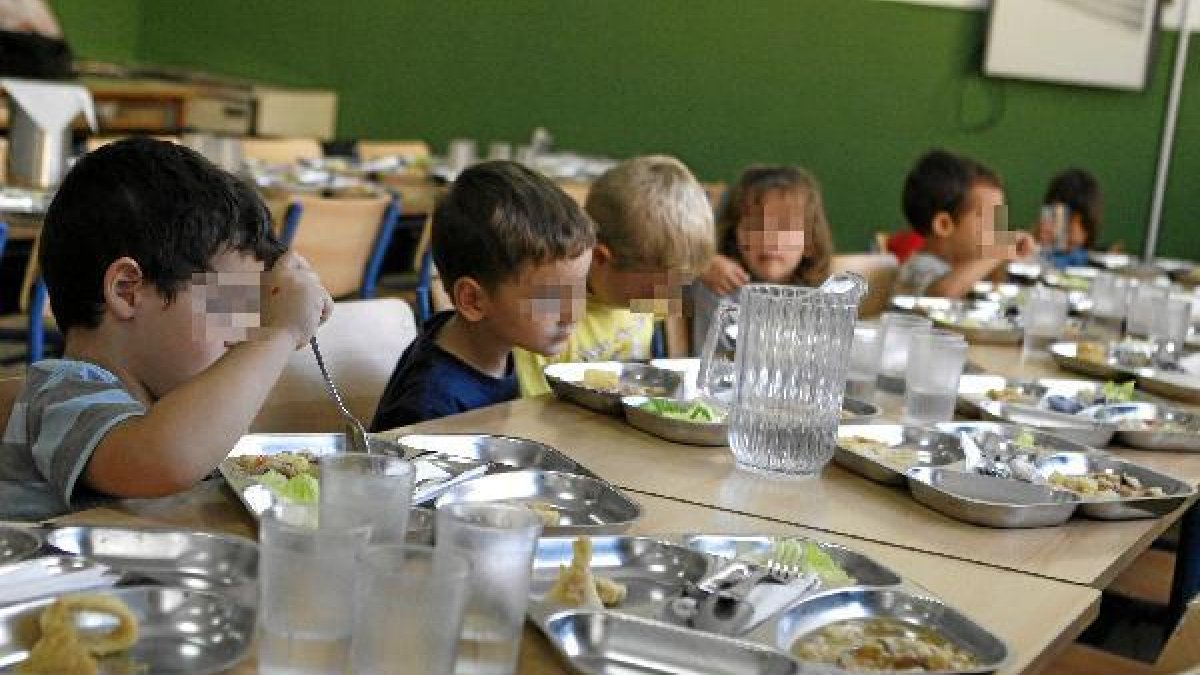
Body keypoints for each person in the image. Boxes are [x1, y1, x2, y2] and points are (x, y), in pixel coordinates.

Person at [0, 138, 333, 520]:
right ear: (128, 290)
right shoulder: (60, 395)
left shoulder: (165, 406)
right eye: (230, 306)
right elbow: (165, 460)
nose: (244, 336)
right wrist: (280, 333)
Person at [370, 161, 595, 429]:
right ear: (473, 300)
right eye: (550, 298)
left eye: (579, 287)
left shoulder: (494, 345)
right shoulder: (432, 405)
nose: (573, 313)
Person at [514, 155, 715, 396]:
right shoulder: (547, 316)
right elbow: (533, 410)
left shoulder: (652, 296)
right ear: (599, 259)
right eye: (651, 290)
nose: (666, 299)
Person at [691, 164, 834, 347]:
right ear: (735, 235)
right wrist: (699, 264)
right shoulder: (716, 281)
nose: (769, 238)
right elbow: (654, 256)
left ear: (809, 242)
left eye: (785, 226)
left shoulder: (820, 298)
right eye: (756, 226)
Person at [894, 149, 1036, 299]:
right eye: (990, 220)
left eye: (1000, 219)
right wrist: (998, 250)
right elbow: (940, 297)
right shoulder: (919, 267)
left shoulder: (965, 266)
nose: (999, 232)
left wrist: (1004, 263)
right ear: (944, 225)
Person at [1033, 168, 1100, 269]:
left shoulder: (1084, 259)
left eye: (1082, 223)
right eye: (1066, 220)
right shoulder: (1031, 247)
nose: (1075, 234)